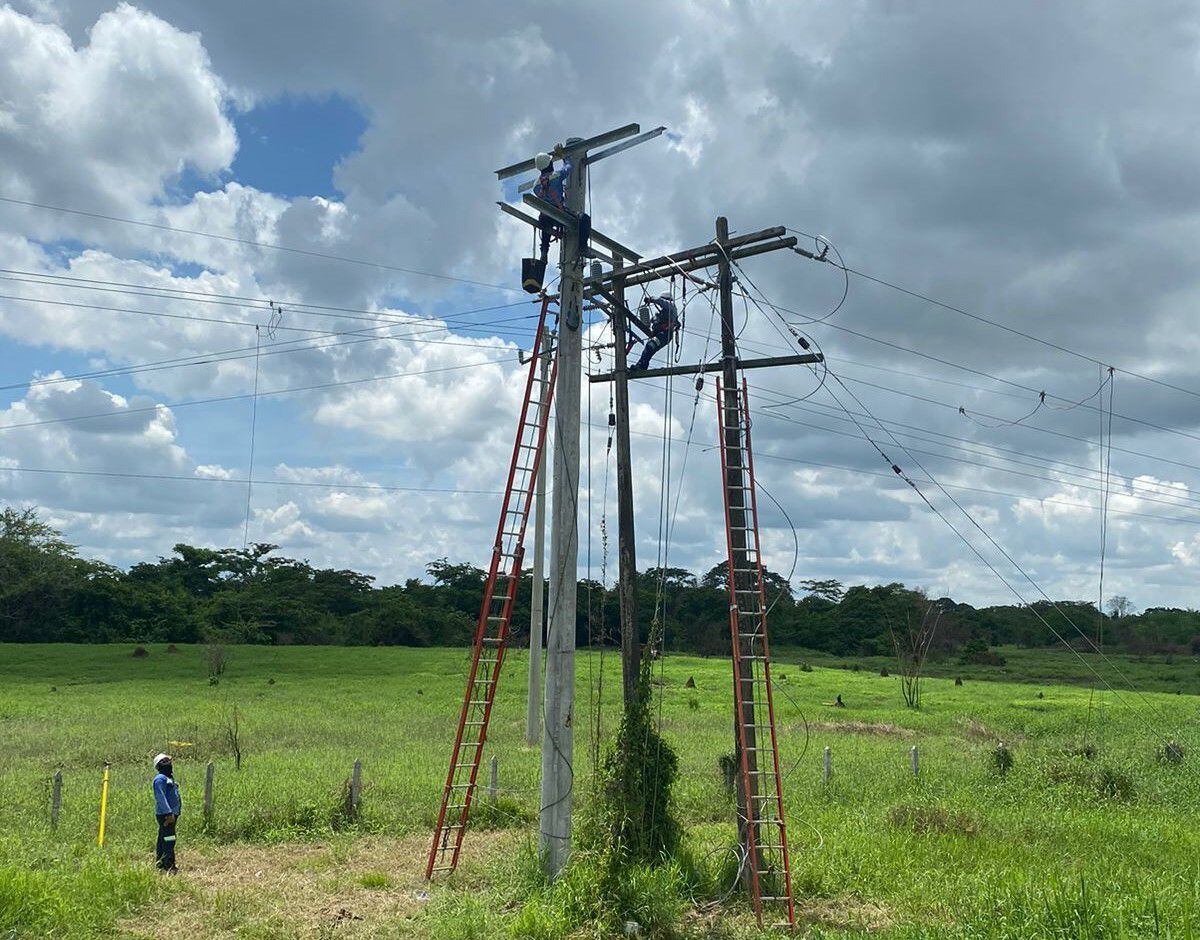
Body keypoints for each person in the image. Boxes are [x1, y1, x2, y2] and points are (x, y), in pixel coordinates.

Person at [632, 294, 680, 370]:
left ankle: (641, 366)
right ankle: (641, 366)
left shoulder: (672, 308)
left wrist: (652, 299)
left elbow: (661, 302)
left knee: (650, 345)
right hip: (659, 334)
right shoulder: (662, 313)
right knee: (649, 349)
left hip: (665, 334)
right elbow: (654, 321)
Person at [151, 753, 181, 872]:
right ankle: (169, 865)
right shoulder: (160, 779)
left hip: (171, 814)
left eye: (168, 761)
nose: (168, 763)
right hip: (166, 815)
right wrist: (169, 813)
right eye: (164, 761)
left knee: (163, 838)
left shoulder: (168, 778)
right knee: (169, 838)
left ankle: (161, 863)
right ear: (159, 766)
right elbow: (160, 797)